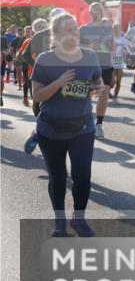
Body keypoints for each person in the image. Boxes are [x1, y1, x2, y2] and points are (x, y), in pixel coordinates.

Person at [31, 13, 102, 236]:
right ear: (57, 35)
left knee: (82, 177)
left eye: (75, 29)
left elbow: (96, 80)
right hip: (51, 129)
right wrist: (60, 82)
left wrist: (98, 88)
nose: (73, 34)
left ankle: (78, 219)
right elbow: (37, 96)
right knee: (58, 177)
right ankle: (59, 221)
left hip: (82, 128)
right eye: (68, 30)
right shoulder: (45, 59)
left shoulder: (90, 56)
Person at [78, 2, 115, 139]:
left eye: (98, 9)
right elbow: (76, 45)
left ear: (102, 12)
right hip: (88, 64)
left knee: (104, 92)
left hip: (105, 64)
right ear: (90, 13)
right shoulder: (83, 29)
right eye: (94, 10)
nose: (96, 12)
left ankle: (99, 124)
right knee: (87, 93)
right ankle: (84, 119)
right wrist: (88, 46)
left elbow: (112, 47)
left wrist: (112, 46)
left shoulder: (108, 28)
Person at [23, 17, 53, 154]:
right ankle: (39, 131)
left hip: (58, 77)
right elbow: (24, 55)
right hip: (39, 77)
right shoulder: (38, 37)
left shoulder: (67, 37)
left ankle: (42, 132)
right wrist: (37, 66)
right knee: (38, 105)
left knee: (53, 107)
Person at [110, 22, 129, 103]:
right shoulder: (111, 39)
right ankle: (107, 90)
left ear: (120, 29)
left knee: (118, 81)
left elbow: (126, 49)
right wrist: (111, 49)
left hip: (120, 62)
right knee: (112, 82)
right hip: (111, 62)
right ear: (112, 29)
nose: (116, 30)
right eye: (115, 28)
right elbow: (107, 48)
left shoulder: (122, 39)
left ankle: (115, 97)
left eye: (118, 28)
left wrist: (125, 52)